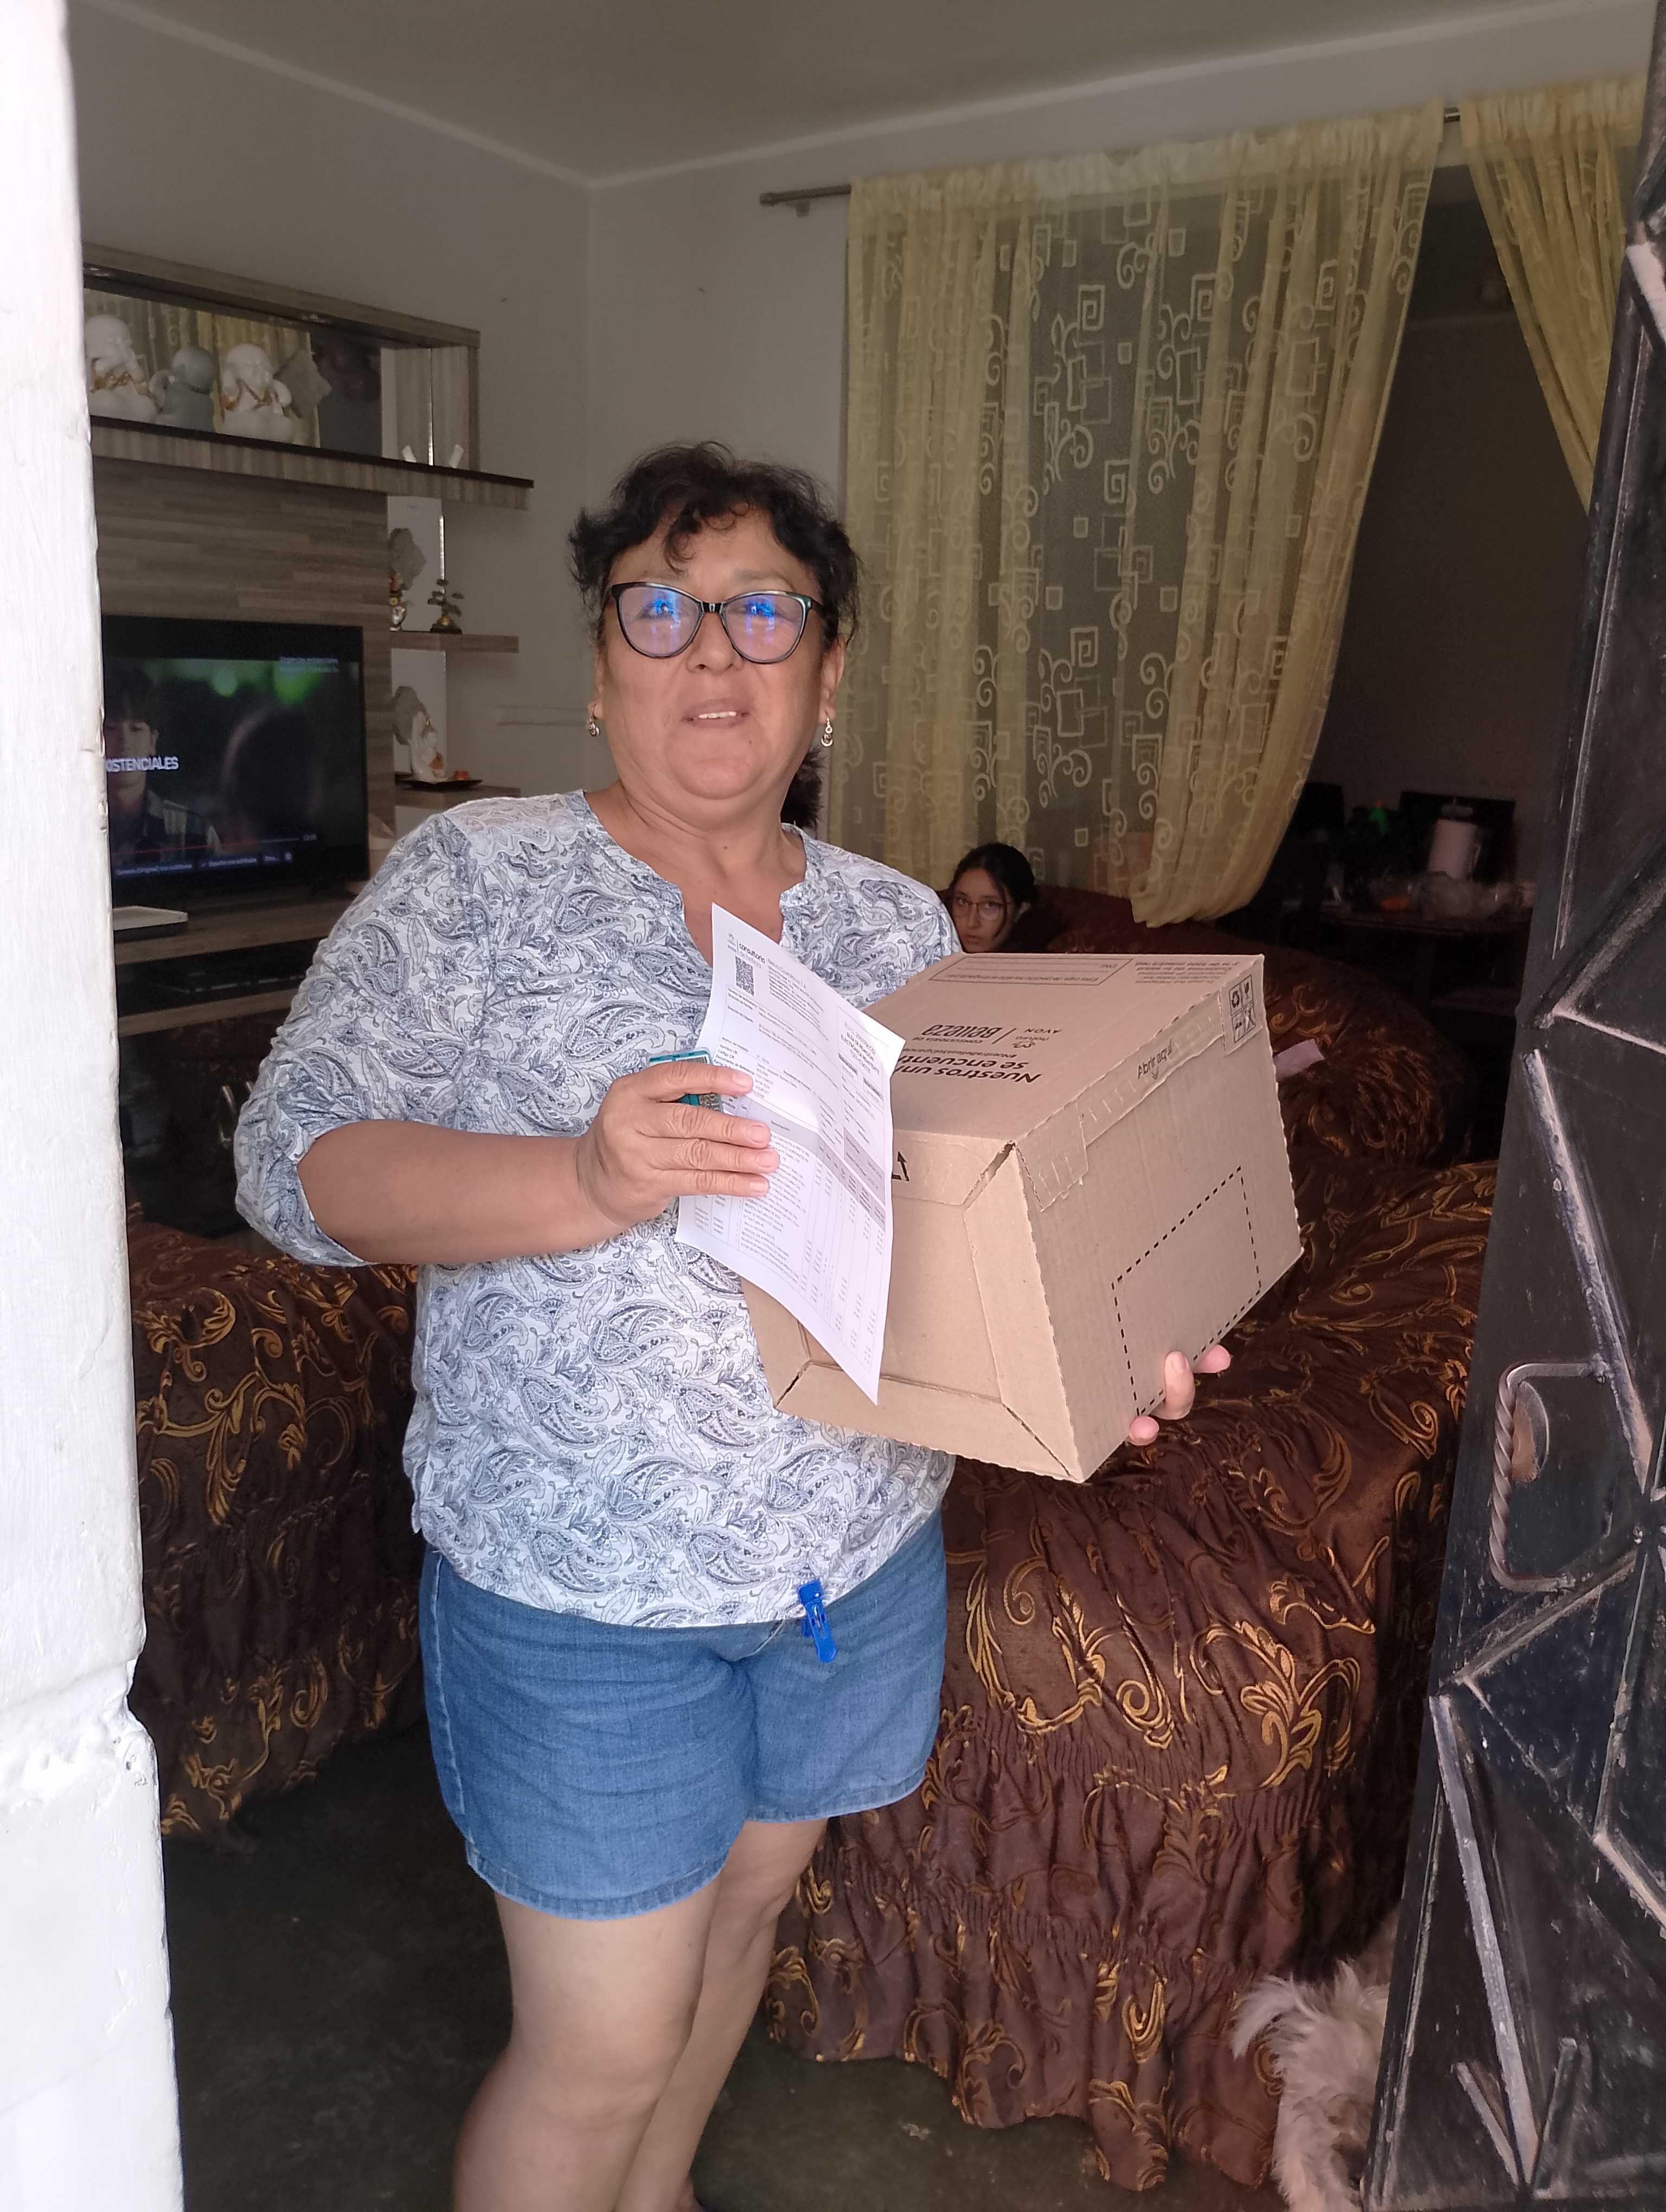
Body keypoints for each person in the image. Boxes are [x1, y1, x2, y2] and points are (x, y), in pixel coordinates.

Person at [234, 443, 1228, 2212]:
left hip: (849, 1568)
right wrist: (583, 1178)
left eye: (765, 612)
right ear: (602, 664)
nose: (713, 651)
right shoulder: (477, 881)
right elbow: (290, 1166)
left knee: (746, 1925)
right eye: (663, 610)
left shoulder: (894, 922)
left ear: (827, 674)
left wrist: (1102, 1344)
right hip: (580, 1592)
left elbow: (960, 1232)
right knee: (600, 2047)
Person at [102, 668, 220, 873]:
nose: (124, 743)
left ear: (152, 742)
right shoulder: (70, 830)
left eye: (136, 729)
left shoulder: (194, 832)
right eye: (111, 728)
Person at [946, 840, 1036, 951]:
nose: (971, 923)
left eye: (990, 905)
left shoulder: (1043, 960)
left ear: (1021, 910)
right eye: (962, 902)